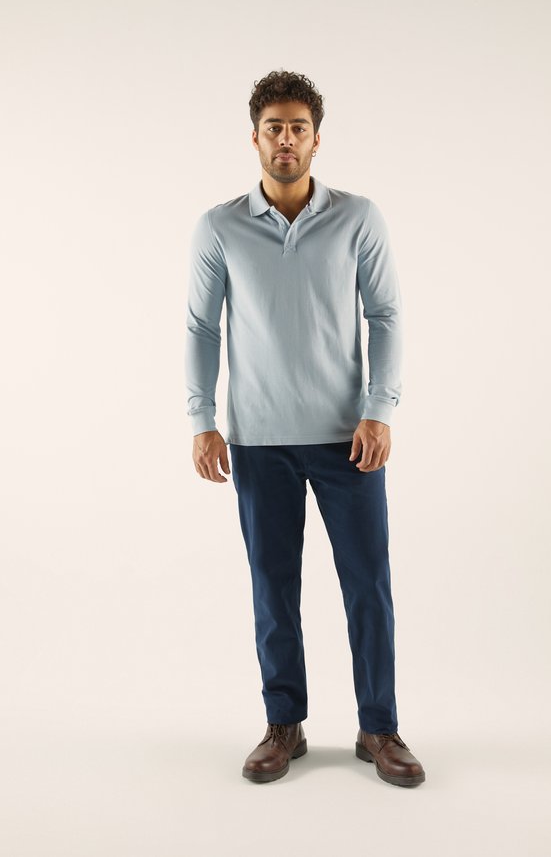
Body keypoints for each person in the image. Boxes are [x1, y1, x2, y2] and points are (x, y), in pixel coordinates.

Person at [184, 69, 425, 788]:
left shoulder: (359, 218)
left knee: (368, 584)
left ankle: (378, 727)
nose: (285, 139)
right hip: (258, 439)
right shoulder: (219, 227)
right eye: (273, 128)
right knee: (273, 586)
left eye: (297, 127)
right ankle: (283, 723)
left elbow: (386, 315)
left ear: (317, 138)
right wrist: (202, 420)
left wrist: (380, 409)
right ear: (254, 138)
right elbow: (201, 327)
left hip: (349, 438)